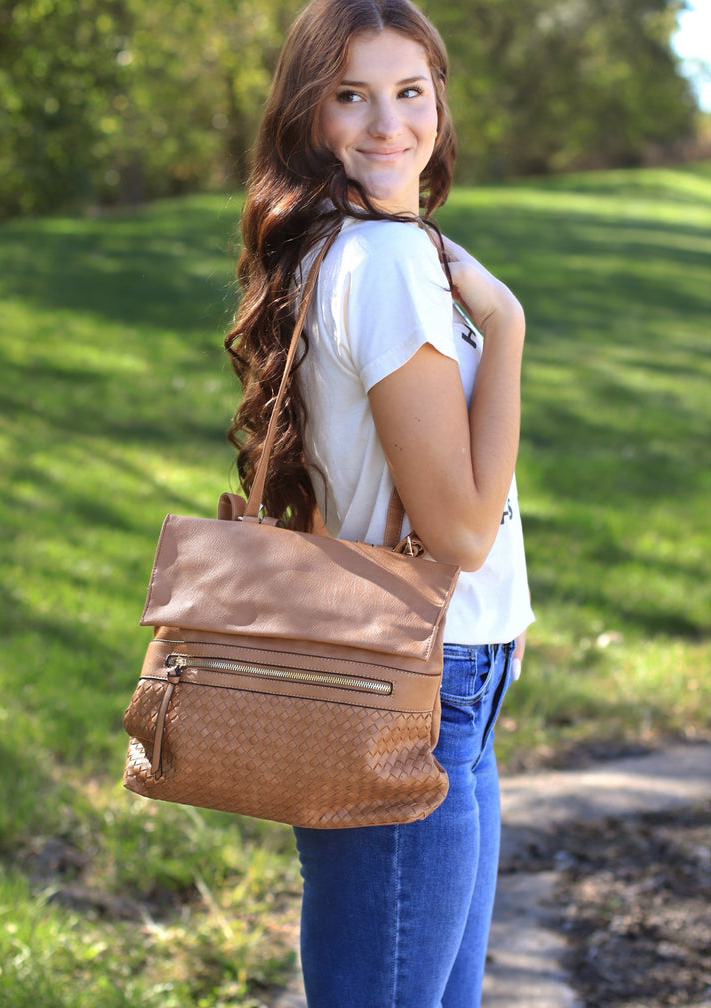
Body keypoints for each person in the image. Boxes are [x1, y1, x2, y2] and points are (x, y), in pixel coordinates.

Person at [225, 1, 534, 1005]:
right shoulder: (393, 261)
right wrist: (511, 325)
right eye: (351, 95)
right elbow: (458, 533)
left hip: (436, 682)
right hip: (414, 687)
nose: (388, 124)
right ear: (309, 114)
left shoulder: (332, 247)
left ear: (440, 100)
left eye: (410, 92)